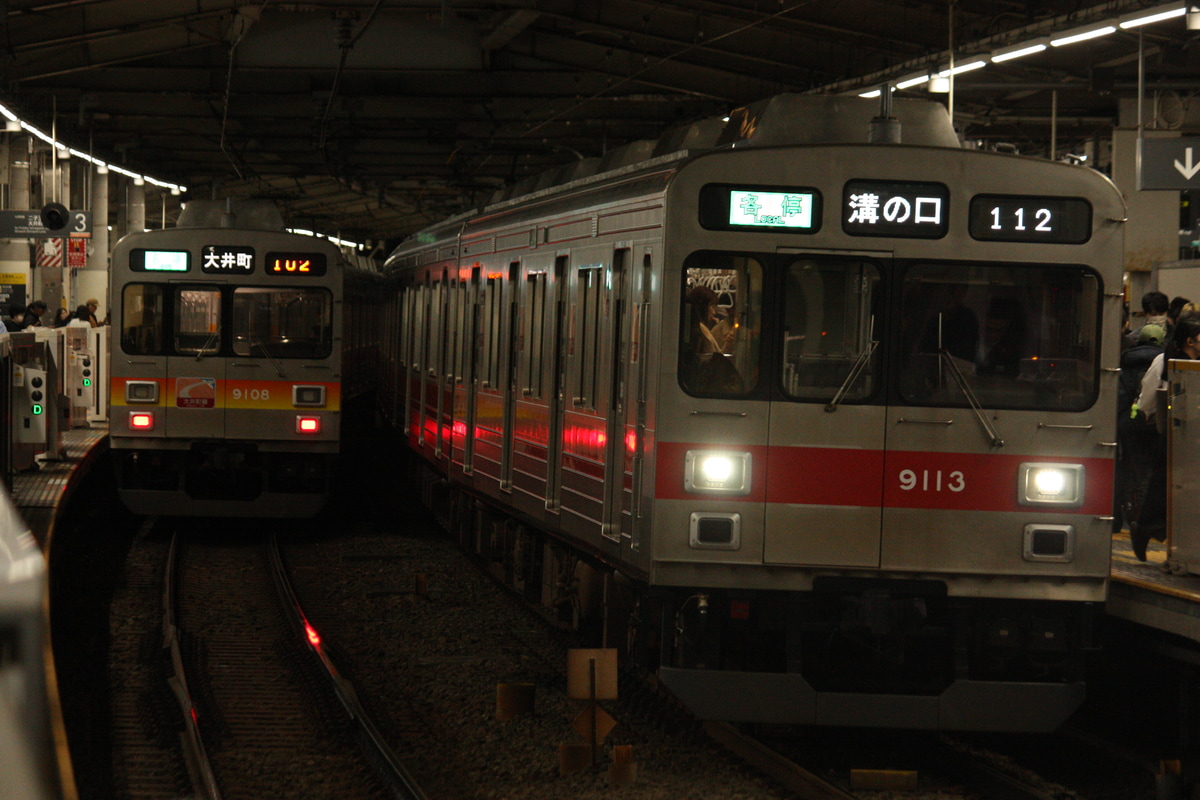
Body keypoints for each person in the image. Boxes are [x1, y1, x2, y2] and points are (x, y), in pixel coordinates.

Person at [1131, 314, 1200, 560]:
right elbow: (1148, 397)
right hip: (1173, 434)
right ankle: (1146, 528)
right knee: (1164, 484)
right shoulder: (1164, 361)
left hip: (1193, 436)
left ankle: (1173, 538)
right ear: (1190, 341)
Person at [1115, 323, 1165, 534]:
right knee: (1150, 471)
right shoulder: (1163, 361)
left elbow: (1122, 395)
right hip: (1155, 423)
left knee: (1130, 467)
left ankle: (1128, 509)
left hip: (1131, 422)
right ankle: (1146, 518)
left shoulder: (1126, 361)